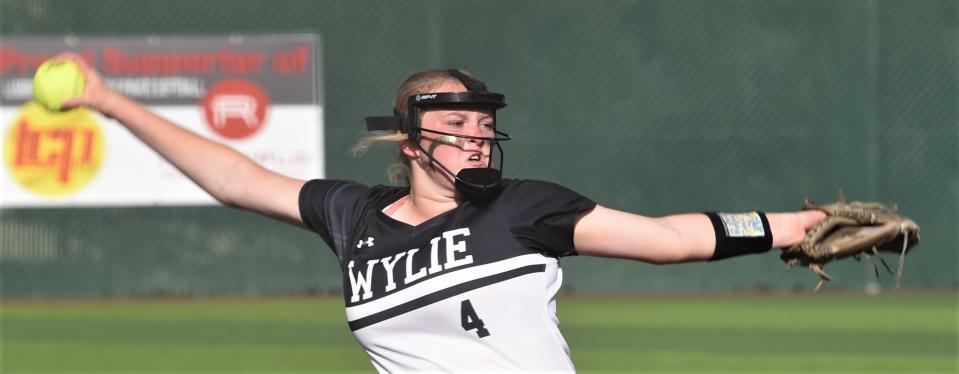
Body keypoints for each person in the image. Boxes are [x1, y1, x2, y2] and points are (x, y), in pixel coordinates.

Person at [57, 53, 826, 372]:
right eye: (456, 127)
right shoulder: (352, 214)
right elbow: (232, 176)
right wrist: (106, 99)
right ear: (408, 138)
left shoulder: (528, 208)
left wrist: (786, 229)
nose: (476, 139)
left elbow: (666, 240)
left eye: (483, 127)